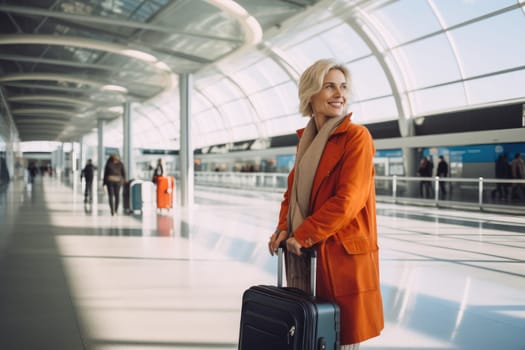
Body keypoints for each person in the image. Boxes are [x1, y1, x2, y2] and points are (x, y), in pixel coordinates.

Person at [268, 59, 383, 349]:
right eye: (329, 86)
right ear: (310, 94)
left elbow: (348, 200)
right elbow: (292, 192)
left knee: (337, 336)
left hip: (338, 253)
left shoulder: (356, 137)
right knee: (309, 333)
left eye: (343, 87)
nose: (339, 93)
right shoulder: (307, 140)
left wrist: (303, 234)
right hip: (307, 254)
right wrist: (283, 229)